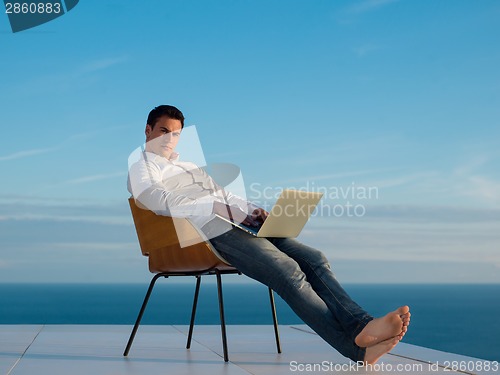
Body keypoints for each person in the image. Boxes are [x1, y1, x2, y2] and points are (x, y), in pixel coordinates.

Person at [127, 105, 411, 365]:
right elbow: (156, 199)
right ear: (148, 130)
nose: (169, 139)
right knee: (287, 270)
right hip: (205, 235)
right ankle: (355, 345)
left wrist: (254, 211)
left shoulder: (189, 167)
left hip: (237, 224)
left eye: (175, 134)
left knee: (314, 258)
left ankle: (361, 328)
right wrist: (214, 206)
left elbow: (225, 195)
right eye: (164, 131)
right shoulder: (142, 167)